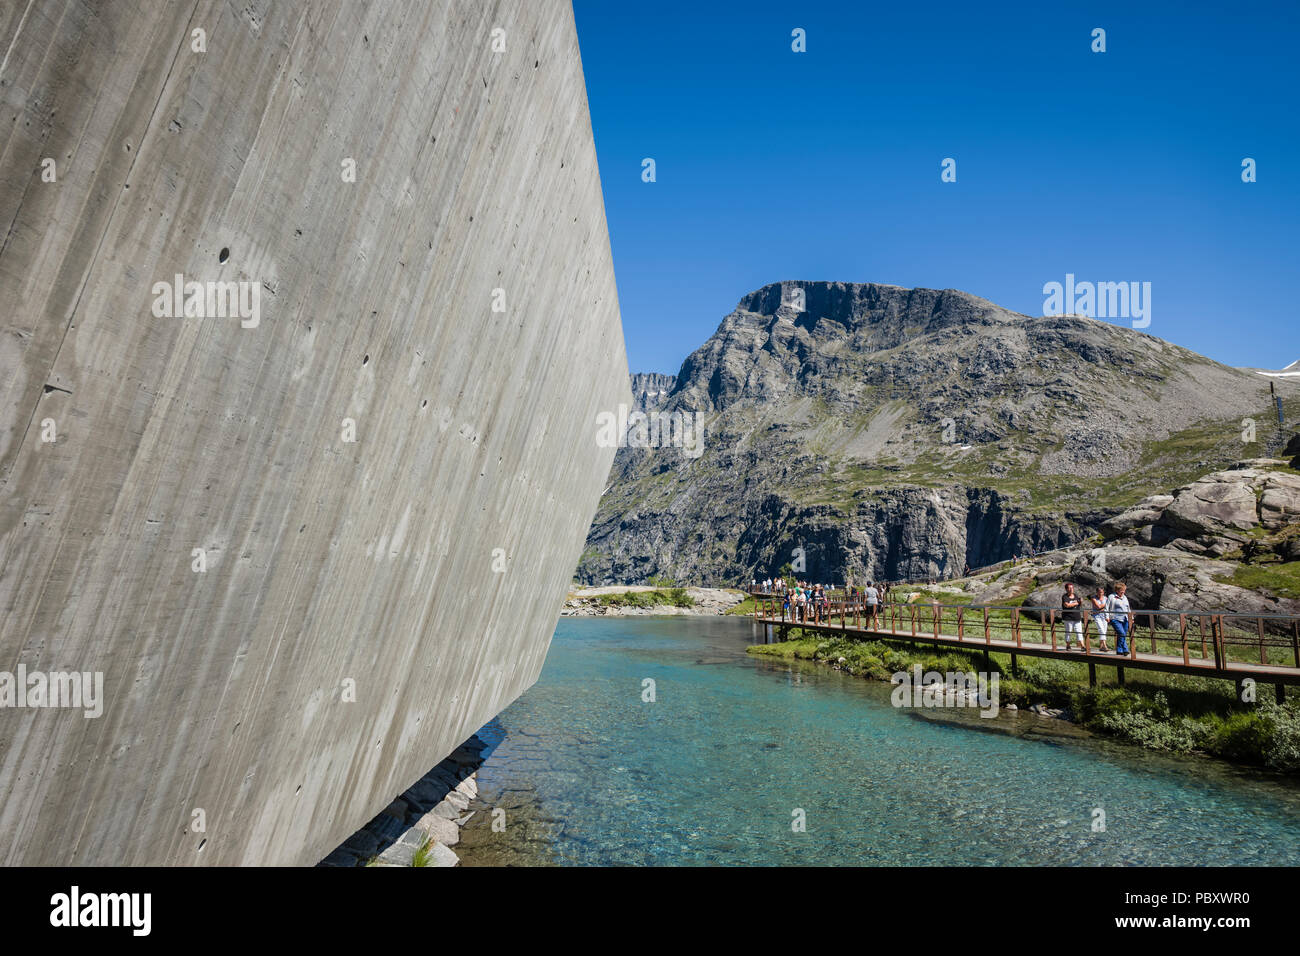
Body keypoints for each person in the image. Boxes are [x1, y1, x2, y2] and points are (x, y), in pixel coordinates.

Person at [1106, 582, 1131, 655]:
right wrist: (1107, 617)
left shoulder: (1125, 597)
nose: (1123, 591)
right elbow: (1106, 607)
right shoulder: (1111, 597)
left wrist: (1131, 618)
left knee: (1122, 635)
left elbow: (1128, 608)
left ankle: (1119, 650)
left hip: (1125, 618)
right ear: (1117, 590)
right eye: (1122, 590)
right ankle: (1125, 649)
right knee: (1122, 633)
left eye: (1124, 590)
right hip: (1115, 618)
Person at [1061, 582, 1083, 650]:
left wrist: (1080, 602)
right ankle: (1068, 645)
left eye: (1072, 588)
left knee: (1079, 631)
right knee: (1068, 631)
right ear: (1066, 589)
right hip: (1068, 617)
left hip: (1077, 616)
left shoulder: (1075, 595)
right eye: (1069, 588)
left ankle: (1083, 646)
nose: (1071, 589)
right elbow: (1067, 605)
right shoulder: (1065, 597)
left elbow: (1079, 605)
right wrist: (1076, 602)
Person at [1089, 585, 1108, 651]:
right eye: (1099, 592)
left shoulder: (1105, 598)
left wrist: (1104, 607)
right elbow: (1098, 607)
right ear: (1096, 592)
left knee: (1104, 631)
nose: (1100, 593)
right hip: (1097, 616)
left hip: (1104, 616)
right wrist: (1105, 605)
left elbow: (1108, 607)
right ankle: (1105, 646)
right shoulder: (1093, 598)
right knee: (1101, 629)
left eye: (1102, 592)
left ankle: (1101, 646)